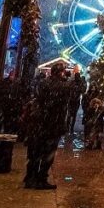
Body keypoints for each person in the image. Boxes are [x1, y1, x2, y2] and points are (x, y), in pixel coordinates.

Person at [24, 61, 73, 189]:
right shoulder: (64, 86)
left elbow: (38, 98)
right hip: (54, 123)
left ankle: (30, 177)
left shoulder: (43, 83)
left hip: (40, 122)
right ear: (61, 72)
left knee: (36, 151)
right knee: (48, 153)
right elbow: (71, 95)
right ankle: (41, 178)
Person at [66, 66, 86, 132]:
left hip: (73, 100)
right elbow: (82, 91)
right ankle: (69, 128)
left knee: (71, 114)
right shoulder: (77, 83)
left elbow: (82, 91)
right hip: (74, 100)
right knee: (72, 114)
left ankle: (69, 127)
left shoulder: (75, 83)